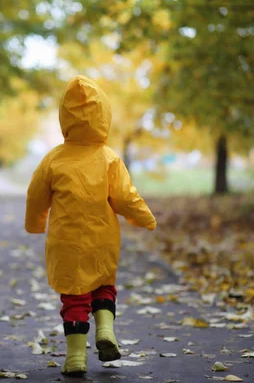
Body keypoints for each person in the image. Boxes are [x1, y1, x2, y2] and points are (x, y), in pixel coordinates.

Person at [25, 76, 157, 376]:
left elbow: (35, 196)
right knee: (103, 285)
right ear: (103, 116)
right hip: (102, 238)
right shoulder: (109, 158)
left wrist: (35, 223)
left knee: (73, 295)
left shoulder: (53, 160)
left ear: (65, 117)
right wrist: (143, 217)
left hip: (66, 241)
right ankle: (106, 331)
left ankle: (75, 358)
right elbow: (125, 197)